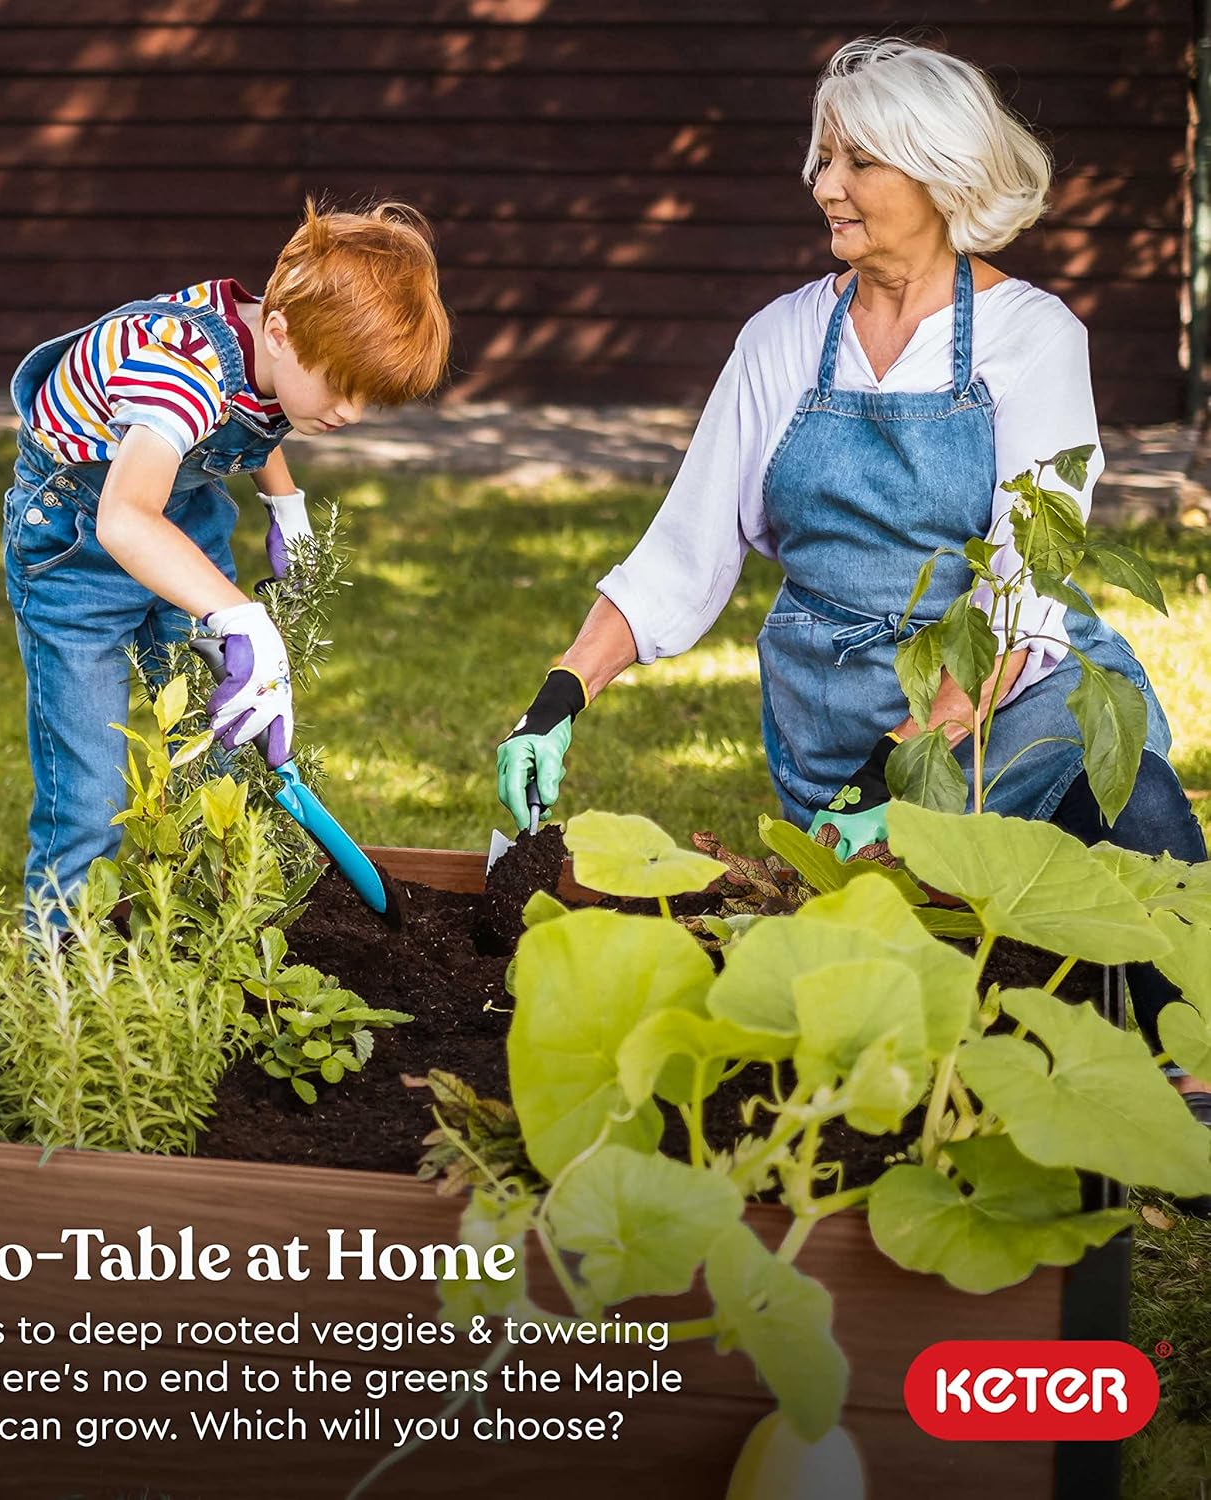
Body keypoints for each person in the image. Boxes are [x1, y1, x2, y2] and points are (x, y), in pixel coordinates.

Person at [493, 37, 1211, 1199]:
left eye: (856, 162)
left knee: (1132, 797)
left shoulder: (1033, 339)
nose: (824, 184)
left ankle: (1193, 1088)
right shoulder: (783, 341)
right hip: (833, 706)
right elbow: (682, 553)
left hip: (1002, 694)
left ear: (938, 173)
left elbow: (1018, 594)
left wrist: (903, 770)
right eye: (822, 157)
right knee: (881, 962)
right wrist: (558, 694)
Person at [4, 198, 449, 922]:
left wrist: (285, 503)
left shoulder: (277, 349)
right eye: (341, 386)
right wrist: (241, 616)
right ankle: (55, 968)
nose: (350, 413)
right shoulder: (181, 371)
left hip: (179, 522)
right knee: (90, 798)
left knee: (217, 758)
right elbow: (124, 518)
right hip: (77, 551)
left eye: (366, 397)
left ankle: (203, 945)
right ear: (278, 331)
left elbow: (256, 413)